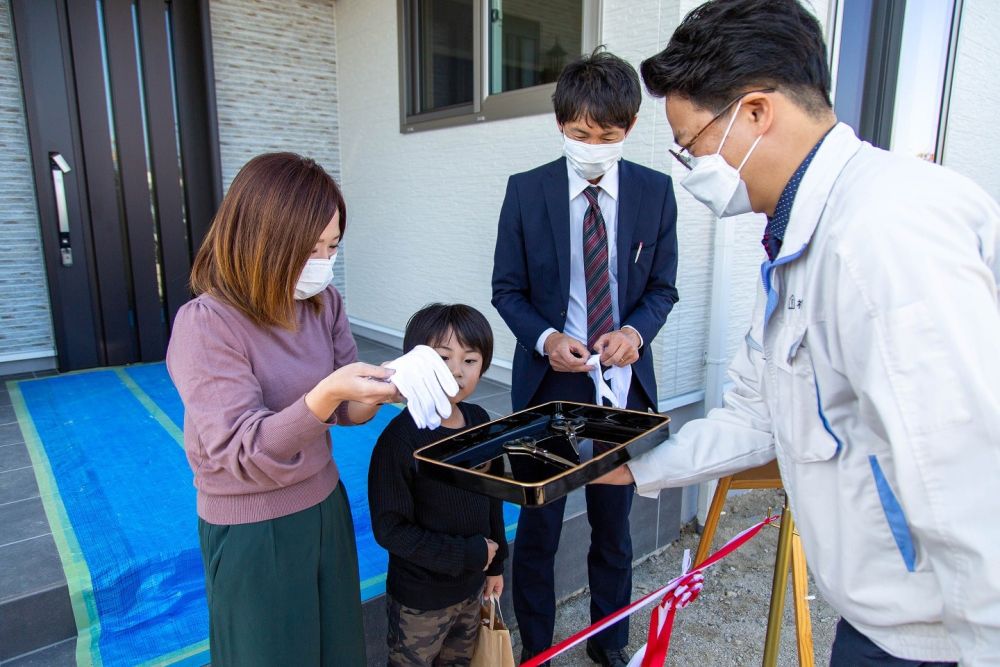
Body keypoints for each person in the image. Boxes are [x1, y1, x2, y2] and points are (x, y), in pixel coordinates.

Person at [595, 1, 1000, 665]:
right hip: (877, 619)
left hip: (940, 637)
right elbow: (758, 415)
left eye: (690, 144)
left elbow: (967, 484)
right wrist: (637, 465)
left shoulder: (883, 234)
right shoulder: (797, 242)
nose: (689, 165)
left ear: (756, 112)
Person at [167, 152, 405, 666]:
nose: (323, 261)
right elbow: (240, 448)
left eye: (333, 245)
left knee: (339, 652)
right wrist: (326, 394)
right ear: (261, 238)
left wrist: (385, 389)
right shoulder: (206, 324)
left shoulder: (325, 303)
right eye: (309, 247)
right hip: (252, 527)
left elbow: (346, 413)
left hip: (324, 506)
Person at [492, 49, 679, 666]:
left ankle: (610, 646)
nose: (593, 145)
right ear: (559, 125)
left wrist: (635, 332)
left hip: (618, 388)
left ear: (629, 128)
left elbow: (662, 288)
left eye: (607, 135)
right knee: (540, 529)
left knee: (613, 526)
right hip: (549, 384)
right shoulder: (526, 191)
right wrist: (547, 339)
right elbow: (507, 291)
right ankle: (537, 649)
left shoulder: (655, 192)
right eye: (579, 134)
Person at [368, 303, 508, 667]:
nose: (457, 372)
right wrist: (470, 555)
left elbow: (493, 495)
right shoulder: (399, 440)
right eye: (443, 358)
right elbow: (389, 529)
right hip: (420, 598)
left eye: (470, 361)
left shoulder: (480, 422)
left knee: (459, 661)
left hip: (472, 585)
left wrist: (495, 565)